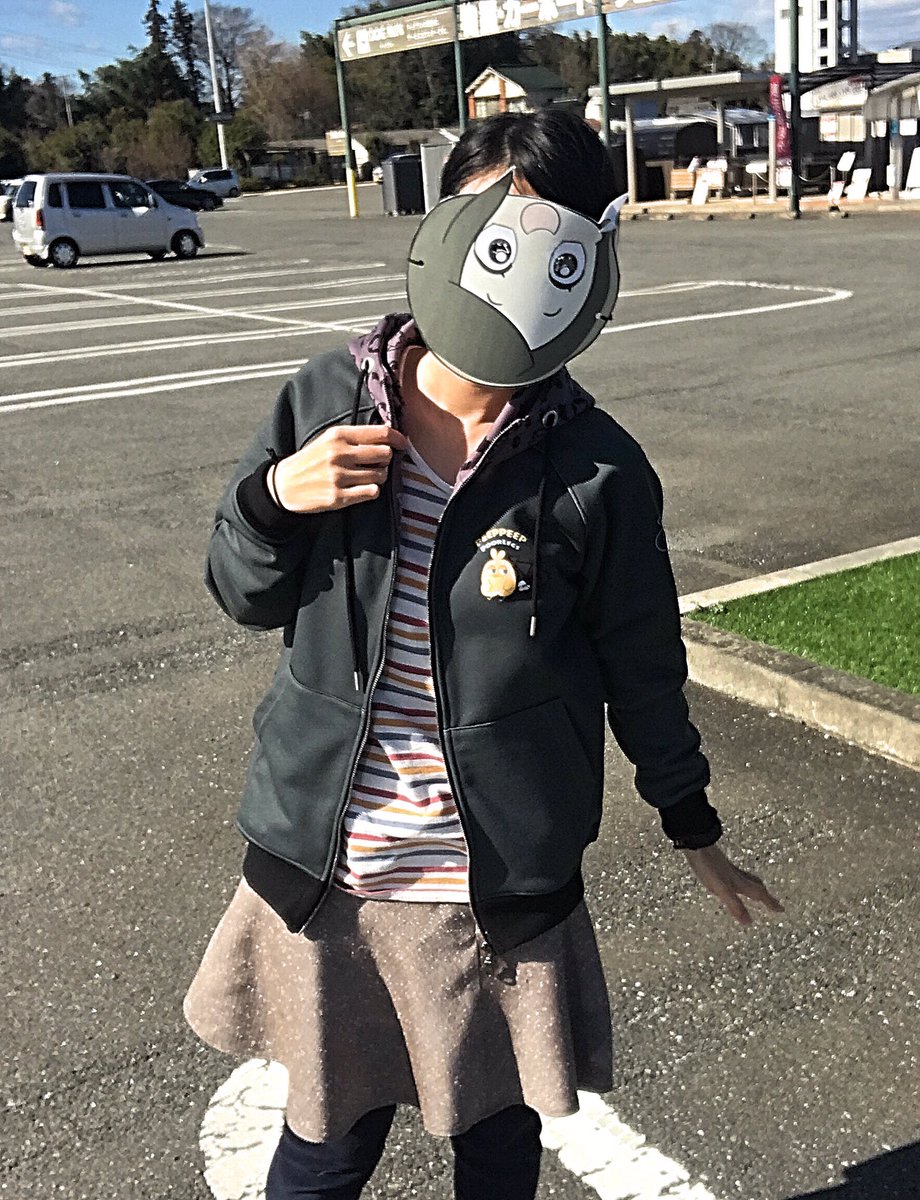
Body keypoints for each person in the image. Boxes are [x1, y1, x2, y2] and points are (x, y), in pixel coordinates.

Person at [184, 110, 783, 1200]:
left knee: (499, 1152)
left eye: (558, 255)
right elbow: (243, 593)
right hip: (334, 873)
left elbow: (643, 665)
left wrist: (690, 822)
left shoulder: (595, 469)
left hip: (498, 888)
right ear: (442, 230)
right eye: (496, 236)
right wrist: (273, 498)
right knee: (326, 1149)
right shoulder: (325, 402)